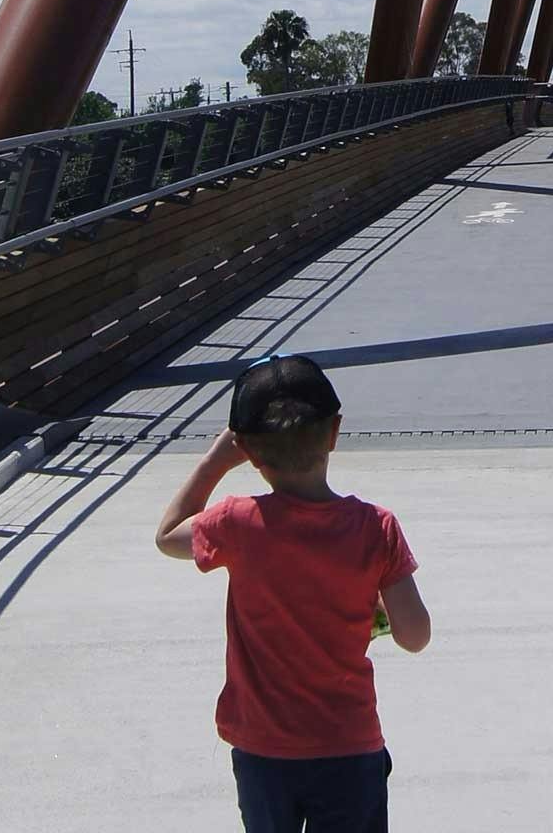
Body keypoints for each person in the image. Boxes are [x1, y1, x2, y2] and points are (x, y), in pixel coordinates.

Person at [156, 354, 430, 832]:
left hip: (264, 751)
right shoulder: (375, 528)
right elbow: (416, 636)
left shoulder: (236, 522)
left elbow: (169, 536)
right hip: (349, 747)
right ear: (334, 433)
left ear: (248, 451)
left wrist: (215, 460)